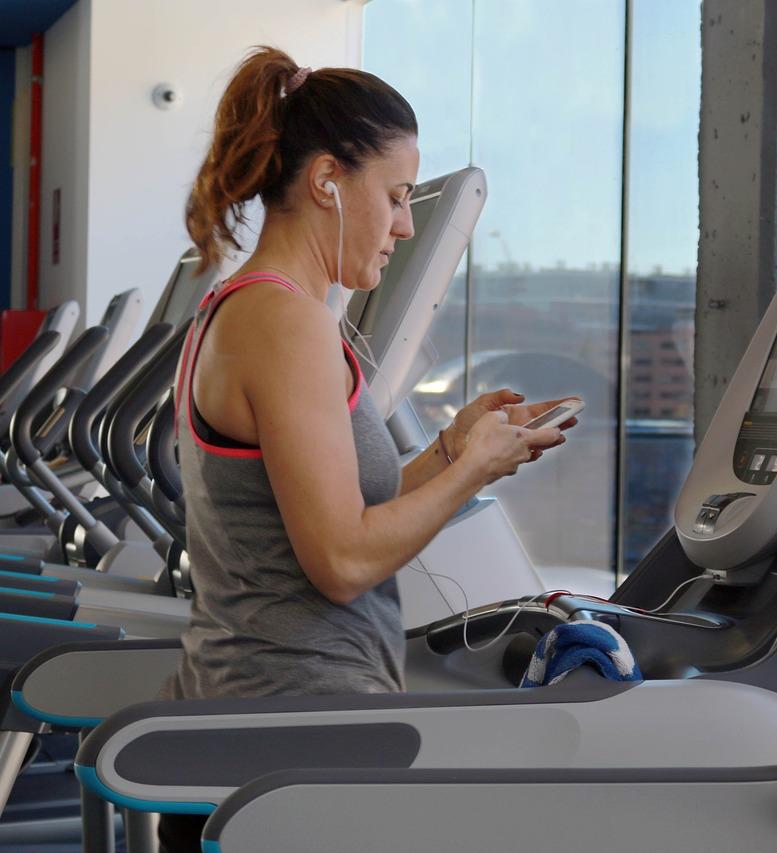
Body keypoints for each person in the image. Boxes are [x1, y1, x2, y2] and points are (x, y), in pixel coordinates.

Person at [156, 47, 577, 851]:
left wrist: (453, 451)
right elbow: (342, 560)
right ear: (325, 182)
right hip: (290, 739)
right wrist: (476, 472)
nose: (405, 224)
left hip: (267, 723)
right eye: (393, 197)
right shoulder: (282, 323)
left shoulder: (256, 309)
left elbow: (335, 503)